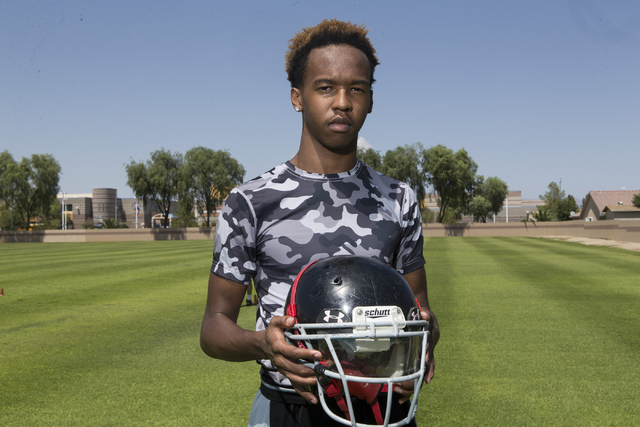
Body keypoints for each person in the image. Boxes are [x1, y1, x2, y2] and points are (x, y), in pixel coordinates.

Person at [200, 18, 439, 427]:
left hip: (383, 408)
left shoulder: (398, 199)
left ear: (370, 99)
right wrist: (263, 343)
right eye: (326, 87)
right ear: (297, 97)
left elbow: (422, 313)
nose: (342, 102)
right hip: (290, 407)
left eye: (357, 89)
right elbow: (213, 327)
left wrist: (423, 343)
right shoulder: (251, 201)